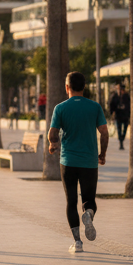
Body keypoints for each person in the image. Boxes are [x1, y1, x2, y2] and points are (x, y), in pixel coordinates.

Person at [48, 71, 109, 254]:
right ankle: (88, 214)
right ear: (84, 87)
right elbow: (104, 132)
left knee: (71, 200)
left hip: (68, 162)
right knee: (89, 199)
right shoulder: (95, 107)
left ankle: (77, 242)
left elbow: (53, 133)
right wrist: (102, 154)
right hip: (89, 162)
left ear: (67, 87)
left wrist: (53, 144)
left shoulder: (60, 108)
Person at [107, 82, 130, 150]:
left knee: (125, 129)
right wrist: (112, 112)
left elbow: (129, 105)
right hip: (118, 115)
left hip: (125, 115)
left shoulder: (126, 96)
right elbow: (111, 105)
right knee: (119, 129)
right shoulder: (114, 96)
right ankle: (121, 142)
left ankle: (122, 138)